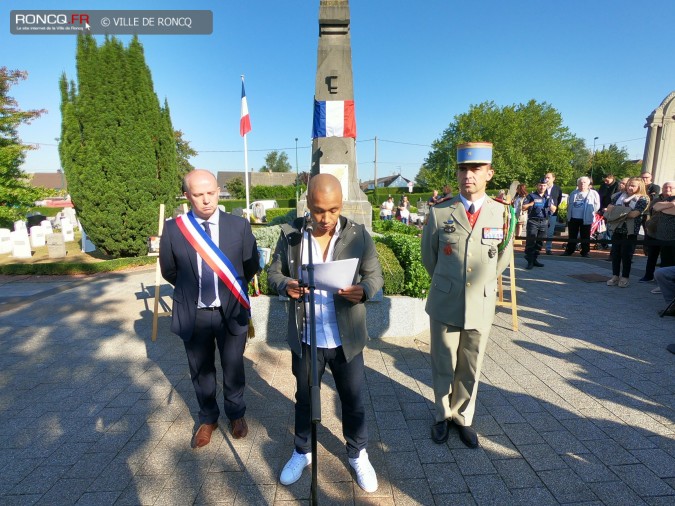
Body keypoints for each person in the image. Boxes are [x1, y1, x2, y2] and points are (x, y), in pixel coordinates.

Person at [268, 173, 384, 493]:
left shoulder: (359, 235)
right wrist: (285, 285)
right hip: (307, 336)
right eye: (319, 210)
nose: (326, 218)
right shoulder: (292, 235)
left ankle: (358, 453)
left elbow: (375, 276)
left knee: (353, 399)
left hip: (346, 337)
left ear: (341, 204)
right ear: (307, 203)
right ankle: (302, 451)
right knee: (305, 398)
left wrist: (363, 290)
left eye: (333, 210)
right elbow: (274, 272)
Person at [421, 141, 513, 449]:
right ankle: (441, 415)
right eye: (463, 169)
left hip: (482, 303)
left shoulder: (501, 213)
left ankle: (462, 417)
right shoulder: (440, 211)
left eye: (475, 169)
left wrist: (481, 285)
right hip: (446, 299)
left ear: (489, 173)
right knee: (443, 362)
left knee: (471, 365)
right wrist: (451, 283)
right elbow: (429, 258)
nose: (468, 175)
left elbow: (502, 258)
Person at [159, 170, 260, 448]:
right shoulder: (174, 229)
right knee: (200, 370)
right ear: (187, 196)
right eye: (198, 194)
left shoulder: (238, 226)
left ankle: (236, 413)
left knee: (233, 366)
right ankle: (208, 418)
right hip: (195, 313)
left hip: (231, 311)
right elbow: (169, 270)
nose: (206, 200)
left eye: (211, 193)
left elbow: (250, 266)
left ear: (218, 191)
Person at [605, 176, 649, 288]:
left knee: (626, 255)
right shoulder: (619, 195)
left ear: (640, 187)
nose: (629, 187)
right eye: (629, 184)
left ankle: (625, 277)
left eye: (633, 185)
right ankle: (615, 276)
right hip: (617, 228)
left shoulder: (643, 198)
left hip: (630, 231)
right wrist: (624, 211)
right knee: (615, 254)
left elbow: (635, 214)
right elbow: (609, 208)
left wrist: (617, 211)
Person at [641, 182, 675, 282]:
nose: (667, 189)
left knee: (667, 258)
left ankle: (664, 280)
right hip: (653, 231)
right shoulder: (657, 199)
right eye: (665, 187)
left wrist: (664, 207)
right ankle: (648, 275)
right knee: (652, 255)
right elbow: (656, 207)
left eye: (670, 187)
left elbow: (671, 211)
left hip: (668, 235)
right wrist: (671, 204)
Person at [561, 176, 601, 258]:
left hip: (586, 218)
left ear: (588, 184)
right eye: (580, 182)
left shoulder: (593, 193)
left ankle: (585, 252)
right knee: (572, 235)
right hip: (573, 218)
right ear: (578, 184)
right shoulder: (573, 193)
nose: (582, 184)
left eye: (584, 182)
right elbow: (569, 205)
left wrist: (591, 213)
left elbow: (597, 206)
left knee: (585, 235)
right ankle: (569, 250)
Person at [522, 178, 554, 269]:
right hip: (533, 221)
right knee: (531, 241)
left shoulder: (548, 197)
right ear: (537, 186)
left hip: (544, 221)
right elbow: (523, 207)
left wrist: (550, 204)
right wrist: (531, 204)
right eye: (540, 185)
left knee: (540, 242)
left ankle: (534, 259)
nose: (542, 187)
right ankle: (530, 261)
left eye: (544, 185)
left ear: (546, 186)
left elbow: (554, 209)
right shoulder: (531, 196)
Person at [597, 174, 619, 249]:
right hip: (603, 208)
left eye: (607, 180)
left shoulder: (617, 185)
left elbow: (615, 198)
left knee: (610, 226)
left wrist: (609, 208)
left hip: (611, 208)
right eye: (604, 180)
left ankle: (609, 242)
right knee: (603, 226)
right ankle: (603, 241)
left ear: (611, 178)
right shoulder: (603, 186)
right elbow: (600, 196)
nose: (605, 181)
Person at [544, 172, 563, 254]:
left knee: (550, 232)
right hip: (542, 213)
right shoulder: (542, 187)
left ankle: (548, 248)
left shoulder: (557, 189)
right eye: (546, 177)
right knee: (540, 231)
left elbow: (559, 200)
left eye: (548, 177)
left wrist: (554, 206)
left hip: (552, 213)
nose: (547, 179)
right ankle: (537, 247)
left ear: (553, 178)